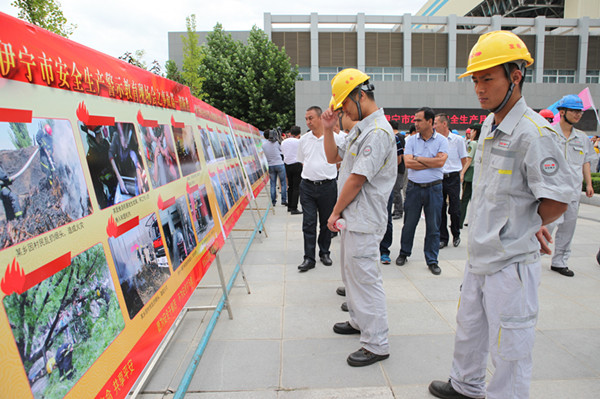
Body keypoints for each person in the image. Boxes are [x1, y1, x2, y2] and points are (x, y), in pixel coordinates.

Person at [428, 30, 573, 399]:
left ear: (516, 76)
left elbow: (557, 198)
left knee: (510, 349)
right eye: (476, 79)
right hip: (481, 255)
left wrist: (529, 226)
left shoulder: (535, 133)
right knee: (470, 329)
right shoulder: (492, 124)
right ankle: (465, 385)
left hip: (510, 263)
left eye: (488, 78)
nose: (479, 88)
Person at [322, 68, 396, 367]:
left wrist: (336, 210)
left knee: (365, 279)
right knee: (352, 275)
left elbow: (357, 178)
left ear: (360, 95)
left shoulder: (377, 132)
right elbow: (332, 157)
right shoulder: (362, 129)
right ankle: (358, 320)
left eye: (345, 105)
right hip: (354, 219)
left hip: (363, 218)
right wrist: (328, 129)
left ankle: (376, 343)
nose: (343, 111)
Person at [545, 94, 595, 277]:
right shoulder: (548, 133)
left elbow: (586, 161)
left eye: (579, 112)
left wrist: (588, 184)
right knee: (545, 227)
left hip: (573, 192)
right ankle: (534, 255)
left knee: (568, 228)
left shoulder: (582, 138)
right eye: (574, 111)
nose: (577, 115)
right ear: (562, 111)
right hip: (551, 191)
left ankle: (559, 261)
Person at [395, 107, 448, 275]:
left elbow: (440, 163)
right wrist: (430, 160)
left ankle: (432, 260)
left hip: (434, 188)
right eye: (415, 120)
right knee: (409, 223)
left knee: (433, 225)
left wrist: (418, 158)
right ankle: (404, 253)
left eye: (419, 120)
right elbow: (408, 163)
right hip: (414, 188)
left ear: (430, 122)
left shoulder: (441, 140)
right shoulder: (411, 140)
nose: (415, 123)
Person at [296, 106, 340, 272]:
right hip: (307, 186)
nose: (308, 122)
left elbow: (339, 159)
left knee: (326, 222)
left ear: (320, 118)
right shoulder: (304, 140)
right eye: (306, 118)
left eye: (311, 118)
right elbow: (302, 160)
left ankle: (324, 252)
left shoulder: (334, 138)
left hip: (327, 186)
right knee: (308, 222)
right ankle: (309, 258)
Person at [435, 114, 468, 249]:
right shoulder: (434, 140)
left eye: (436, 123)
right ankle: (443, 238)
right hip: (439, 176)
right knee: (440, 208)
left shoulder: (457, 140)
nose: (434, 125)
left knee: (454, 208)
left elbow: (464, 159)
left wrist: (461, 174)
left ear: (444, 124)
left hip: (453, 177)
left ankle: (456, 233)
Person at [379, 121, 404, 264]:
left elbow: (399, 159)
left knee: (386, 217)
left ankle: (384, 251)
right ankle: (371, 250)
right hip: (367, 185)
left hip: (385, 186)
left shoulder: (393, 139)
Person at [459, 123, 481, 229]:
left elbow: (469, 159)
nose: (470, 133)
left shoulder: (473, 144)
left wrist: (462, 172)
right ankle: (475, 221)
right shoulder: (481, 143)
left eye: (472, 131)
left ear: (475, 132)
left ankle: (459, 222)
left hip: (470, 174)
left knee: (464, 199)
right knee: (475, 200)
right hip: (478, 173)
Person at [262, 129, 287, 206]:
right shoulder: (277, 143)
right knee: (283, 183)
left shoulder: (263, 145)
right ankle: (283, 200)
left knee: (273, 184)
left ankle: (273, 201)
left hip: (270, 165)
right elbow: (282, 151)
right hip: (279, 164)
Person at [281, 126, 302, 214]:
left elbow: (282, 152)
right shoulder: (299, 142)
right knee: (296, 187)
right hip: (297, 164)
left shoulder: (284, 142)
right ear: (299, 134)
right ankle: (294, 208)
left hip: (287, 165)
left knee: (290, 186)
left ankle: (289, 206)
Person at [390, 120, 406, 220]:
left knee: (396, 190)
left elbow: (400, 155)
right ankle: (396, 210)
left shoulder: (397, 137)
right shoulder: (400, 136)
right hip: (397, 167)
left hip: (398, 168)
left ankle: (399, 211)